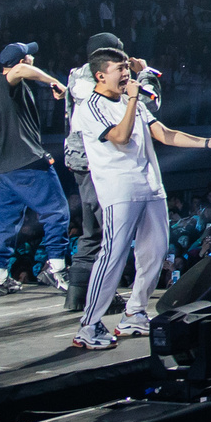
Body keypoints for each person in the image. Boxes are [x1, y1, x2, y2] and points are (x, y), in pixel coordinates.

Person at [69, 47, 211, 350]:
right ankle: (89, 326)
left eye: (126, 67)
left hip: (151, 186)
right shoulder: (89, 106)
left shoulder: (130, 101)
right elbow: (119, 137)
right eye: (119, 69)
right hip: (120, 189)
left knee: (155, 253)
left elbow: (165, 133)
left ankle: (134, 313)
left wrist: (207, 143)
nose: (126, 73)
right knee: (112, 256)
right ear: (100, 74)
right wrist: (133, 98)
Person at [0, 40, 71, 294]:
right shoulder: (13, 77)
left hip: (4, 170)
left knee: (6, 223)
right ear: (21, 61)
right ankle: (56, 269)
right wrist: (54, 81)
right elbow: (18, 72)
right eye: (29, 57)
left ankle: (0, 276)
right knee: (57, 212)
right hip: (28, 163)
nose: (33, 59)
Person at [58, 31, 127, 310]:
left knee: (93, 231)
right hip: (92, 159)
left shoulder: (78, 75)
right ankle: (102, 296)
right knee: (110, 227)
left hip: (82, 158)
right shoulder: (90, 80)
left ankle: (76, 296)